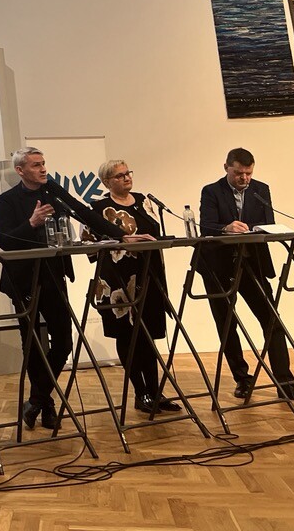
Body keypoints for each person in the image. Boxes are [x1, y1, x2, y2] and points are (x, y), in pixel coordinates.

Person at [197, 148, 294, 403]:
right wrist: (226, 228)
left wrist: (260, 229)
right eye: (239, 173)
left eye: (248, 173)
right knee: (227, 324)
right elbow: (205, 225)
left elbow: (268, 221)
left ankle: (286, 384)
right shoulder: (211, 191)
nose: (244, 178)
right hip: (219, 267)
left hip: (253, 263)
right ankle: (242, 379)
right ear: (226, 167)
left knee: (272, 321)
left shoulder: (261, 189)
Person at [87, 160, 180, 414]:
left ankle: (155, 391)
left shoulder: (143, 201)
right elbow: (90, 248)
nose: (126, 178)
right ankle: (141, 393)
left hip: (149, 276)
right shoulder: (97, 209)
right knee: (127, 336)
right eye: (119, 176)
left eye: (128, 173)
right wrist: (121, 242)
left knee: (148, 336)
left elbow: (155, 232)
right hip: (118, 282)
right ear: (107, 182)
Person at [0, 147, 76, 432]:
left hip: (54, 277)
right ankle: (48, 406)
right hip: (24, 281)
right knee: (33, 345)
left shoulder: (54, 194)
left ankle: (37, 400)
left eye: (44, 163)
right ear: (20, 170)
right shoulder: (6, 200)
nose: (43, 169)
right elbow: (5, 241)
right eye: (36, 165)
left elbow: (71, 224)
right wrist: (31, 223)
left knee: (64, 343)